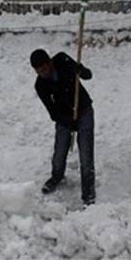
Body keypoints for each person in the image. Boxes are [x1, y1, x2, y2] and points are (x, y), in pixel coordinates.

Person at [30, 48, 95, 206]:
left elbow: (88, 75)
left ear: (50, 62)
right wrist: (67, 121)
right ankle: (57, 176)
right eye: (39, 71)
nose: (43, 73)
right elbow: (52, 111)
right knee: (59, 154)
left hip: (84, 110)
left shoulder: (62, 60)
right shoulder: (40, 85)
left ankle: (88, 192)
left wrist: (81, 70)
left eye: (44, 68)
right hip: (64, 117)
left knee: (86, 156)